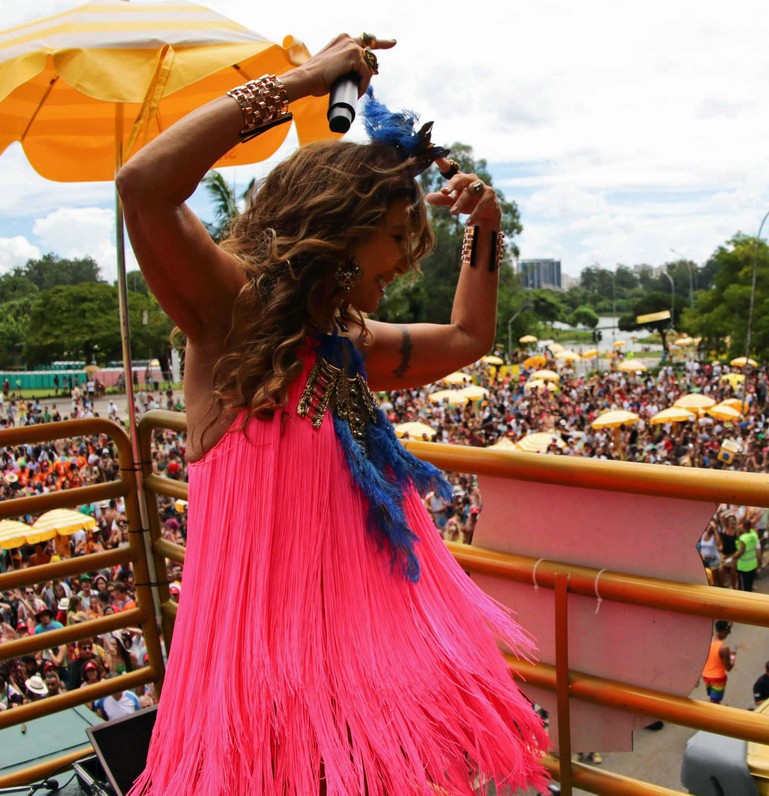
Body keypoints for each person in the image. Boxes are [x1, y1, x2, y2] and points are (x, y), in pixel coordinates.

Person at [116, 33, 548, 793]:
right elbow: (145, 184)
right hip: (264, 684)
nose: (404, 259)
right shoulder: (230, 313)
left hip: (356, 669)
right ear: (338, 226)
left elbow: (468, 337)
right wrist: (302, 82)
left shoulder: (345, 341)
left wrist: (485, 230)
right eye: (394, 238)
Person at [701, 621, 735, 704]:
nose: (729, 634)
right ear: (723, 631)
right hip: (718, 679)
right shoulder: (724, 648)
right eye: (728, 631)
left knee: (713, 698)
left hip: (706, 675)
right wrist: (733, 657)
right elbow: (728, 668)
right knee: (715, 701)